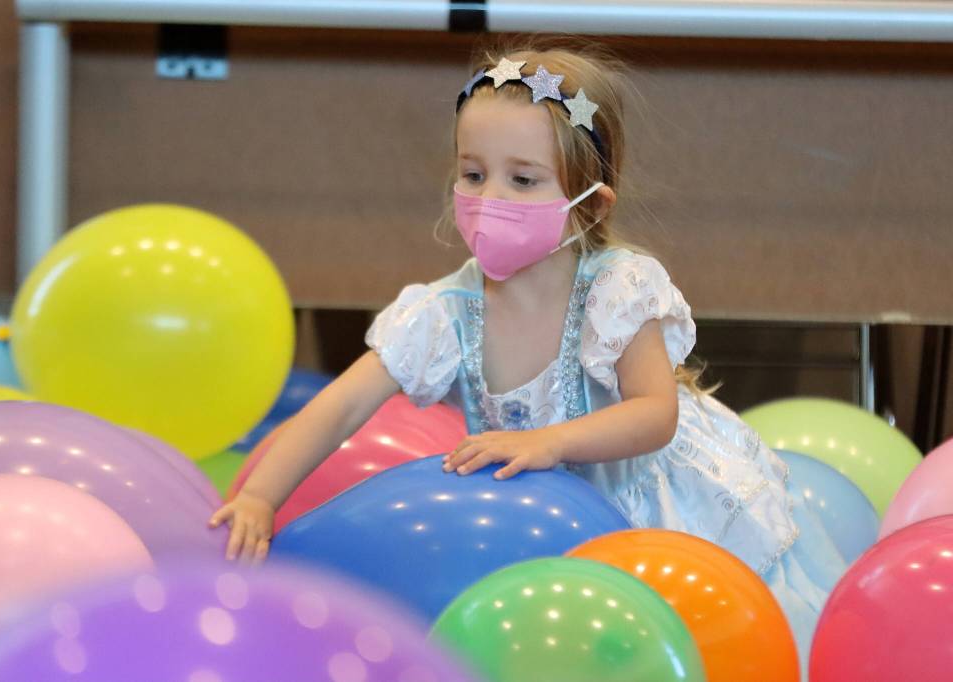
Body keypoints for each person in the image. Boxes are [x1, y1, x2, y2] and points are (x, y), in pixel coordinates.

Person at [209, 38, 846, 665]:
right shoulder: (446, 311)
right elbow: (343, 406)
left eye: (523, 179)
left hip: (649, 506)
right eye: (473, 173)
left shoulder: (615, 288)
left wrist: (552, 441)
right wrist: (262, 496)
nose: (491, 199)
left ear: (588, 204)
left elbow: (656, 414)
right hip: (532, 522)